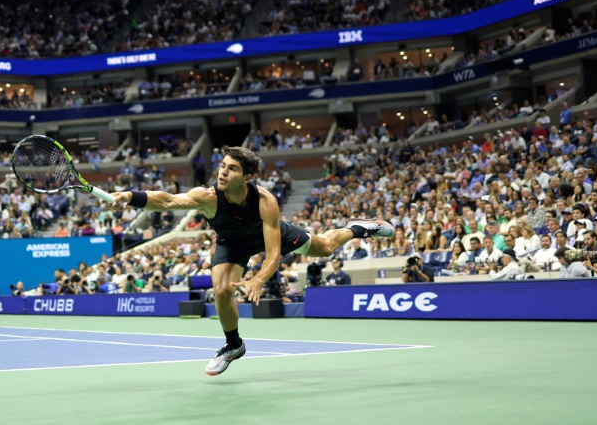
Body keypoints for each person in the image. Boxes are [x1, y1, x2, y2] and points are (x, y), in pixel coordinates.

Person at [108, 146, 393, 376]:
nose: (223, 172)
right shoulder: (207, 197)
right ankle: (234, 346)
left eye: (232, 168)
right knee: (221, 290)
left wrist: (257, 280)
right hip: (231, 242)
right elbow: (167, 200)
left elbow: (272, 255)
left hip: (266, 236)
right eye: (222, 165)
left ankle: (359, 227)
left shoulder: (265, 201)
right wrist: (129, 196)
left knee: (327, 247)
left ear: (246, 177)